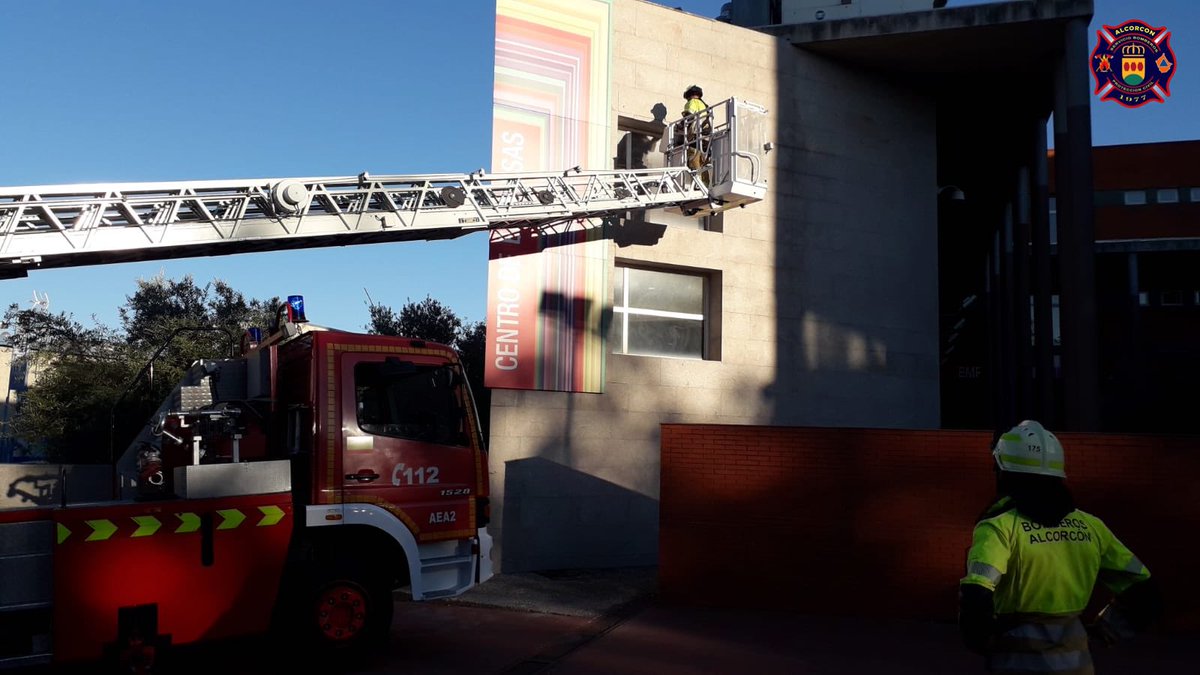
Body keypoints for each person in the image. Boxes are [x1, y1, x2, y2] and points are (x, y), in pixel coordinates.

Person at [958, 420, 1163, 674]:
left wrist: (982, 640)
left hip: (1015, 663)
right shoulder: (1092, 526)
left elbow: (976, 596)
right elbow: (1144, 591)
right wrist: (1105, 631)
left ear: (1004, 471)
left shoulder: (999, 527)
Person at [680, 85, 711, 181]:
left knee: (693, 160)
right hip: (706, 138)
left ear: (688, 95)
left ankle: (697, 183)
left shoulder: (692, 102)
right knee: (704, 163)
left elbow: (689, 116)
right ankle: (706, 184)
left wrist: (680, 125)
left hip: (695, 137)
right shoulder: (705, 106)